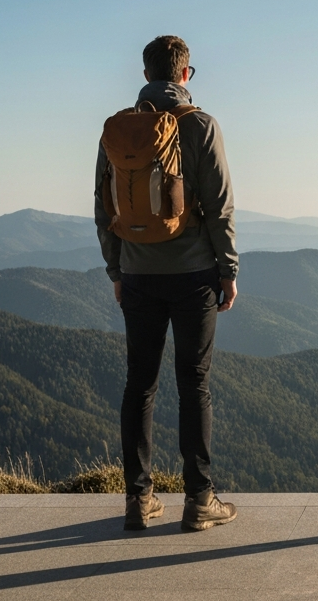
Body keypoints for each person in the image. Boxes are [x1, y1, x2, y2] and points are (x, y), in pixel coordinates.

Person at [94, 35, 239, 532]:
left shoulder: (117, 129)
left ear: (145, 74)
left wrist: (117, 269)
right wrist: (229, 270)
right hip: (194, 272)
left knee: (140, 384)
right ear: (184, 74)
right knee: (193, 384)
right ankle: (199, 499)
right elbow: (220, 205)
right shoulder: (201, 125)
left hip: (137, 273)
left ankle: (139, 499)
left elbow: (103, 207)